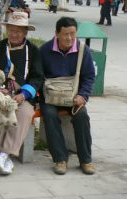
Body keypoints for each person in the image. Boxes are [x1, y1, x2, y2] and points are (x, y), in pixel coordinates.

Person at [0, 12, 43, 175]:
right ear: (7, 30)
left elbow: (38, 77)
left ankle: (5, 153)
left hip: (22, 97)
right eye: (11, 30)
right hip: (0, 95)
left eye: (18, 31)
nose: (14, 34)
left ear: (25, 33)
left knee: (24, 113)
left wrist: (24, 94)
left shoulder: (33, 51)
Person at [39, 17, 96, 175]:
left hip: (73, 97)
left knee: (82, 115)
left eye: (73, 34)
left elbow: (89, 76)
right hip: (51, 98)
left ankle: (86, 159)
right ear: (56, 33)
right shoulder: (44, 50)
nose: (70, 38)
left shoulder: (83, 50)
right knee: (49, 114)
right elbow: (37, 75)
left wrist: (83, 96)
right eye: (65, 34)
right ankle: (60, 159)